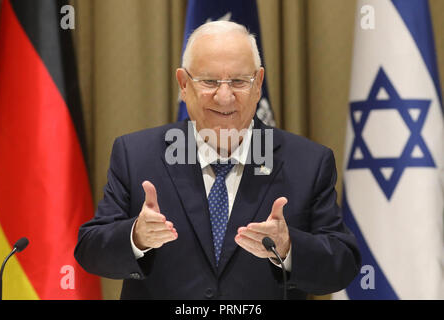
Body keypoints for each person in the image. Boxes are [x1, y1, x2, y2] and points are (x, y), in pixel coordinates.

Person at [74, 21, 361, 300]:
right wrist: (136, 237)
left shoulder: (308, 163)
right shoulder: (136, 155)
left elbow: (343, 265)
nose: (225, 97)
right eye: (210, 81)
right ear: (183, 84)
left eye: (238, 81)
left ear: (258, 83)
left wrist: (288, 247)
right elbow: (90, 251)